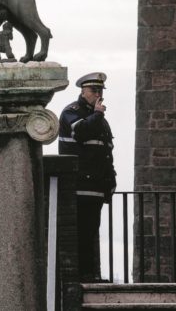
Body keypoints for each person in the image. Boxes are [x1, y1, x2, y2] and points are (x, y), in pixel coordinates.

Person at [58, 72, 116, 282]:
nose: (98, 94)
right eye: (94, 90)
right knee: (81, 233)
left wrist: (110, 183)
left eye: (100, 91)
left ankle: (91, 274)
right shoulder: (72, 112)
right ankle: (82, 276)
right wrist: (98, 115)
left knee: (90, 232)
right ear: (83, 91)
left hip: (96, 188)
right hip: (78, 186)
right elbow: (80, 132)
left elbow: (106, 154)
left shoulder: (100, 120)